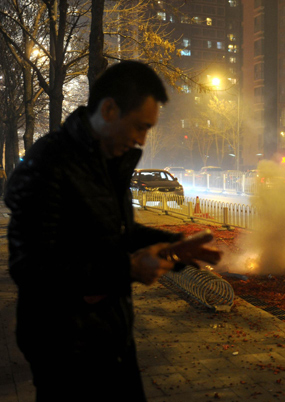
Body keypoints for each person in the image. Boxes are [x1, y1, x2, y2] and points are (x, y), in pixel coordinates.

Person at [4, 61, 217, 401]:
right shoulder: (50, 163)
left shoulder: (108, 162)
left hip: (110, 335)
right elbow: (31, 268)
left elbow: (117, 234)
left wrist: (174, 245)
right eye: (139, 126)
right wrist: (128, 269)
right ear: (108, 109)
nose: (141, 140)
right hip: (63, 350)